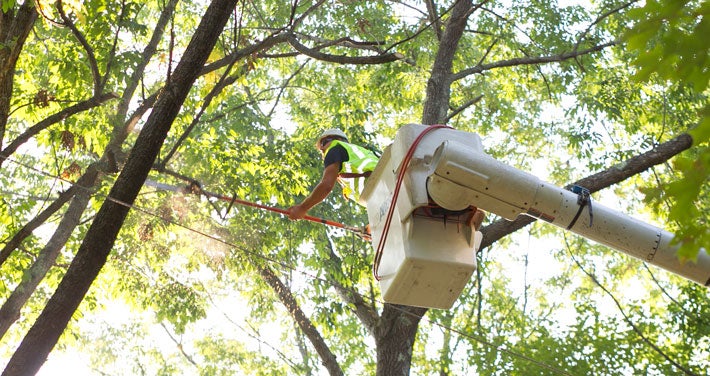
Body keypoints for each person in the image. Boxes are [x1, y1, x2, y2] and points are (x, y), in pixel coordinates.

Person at [287, 129, 379, 220]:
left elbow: (326, 185)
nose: (322, 149)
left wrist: (303, 208)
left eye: (324, 143)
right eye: (320, 150)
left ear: (339, 139)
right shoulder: (361, 153)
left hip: (377, 187)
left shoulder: (335, 147)